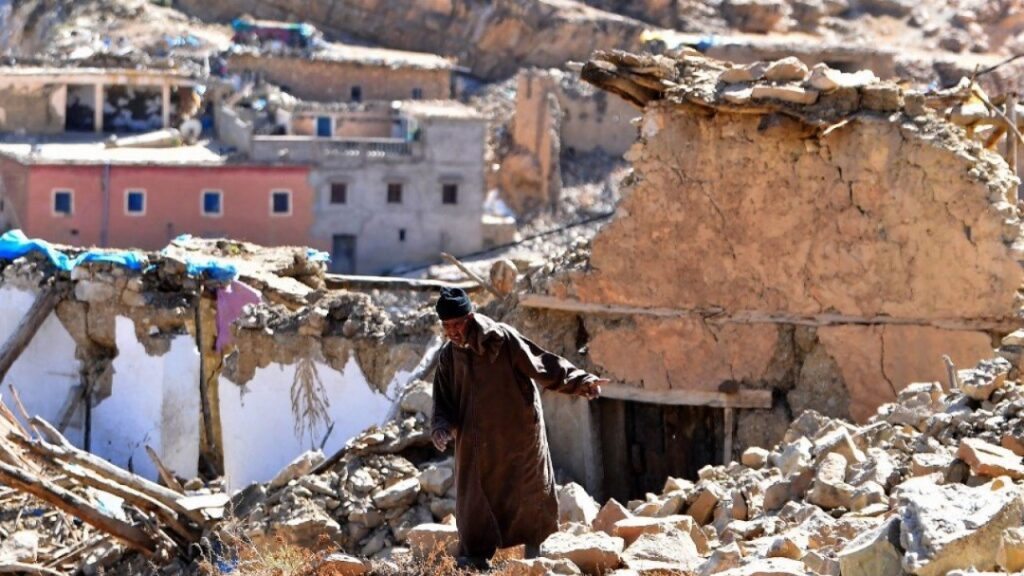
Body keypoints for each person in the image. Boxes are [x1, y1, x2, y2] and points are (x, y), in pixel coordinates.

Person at [431, 287, 607, 570]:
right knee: (474, 500)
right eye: (447, 326)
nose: (452, 331)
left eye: (457, 324)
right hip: (476, 443)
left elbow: (542, 364)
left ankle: (536, 559)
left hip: (518, 433)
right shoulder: (449, 357)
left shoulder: (501, 339)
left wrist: (579, 382)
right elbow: (443, 401)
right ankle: (475, 560)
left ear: (471, 317)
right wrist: (440, 427)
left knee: (529, 491)